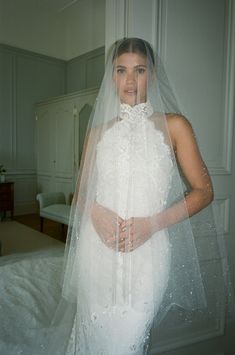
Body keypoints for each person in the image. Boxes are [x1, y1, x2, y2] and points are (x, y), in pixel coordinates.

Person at [46, 38, 233, 355]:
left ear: (153, 75)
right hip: (97, 252)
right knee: (90, 336)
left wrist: (152, 224)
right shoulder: (97, 132)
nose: (130, 80)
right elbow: (80, 195)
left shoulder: (175, 125)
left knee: (126, 343)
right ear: (113, 77)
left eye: (139, 70)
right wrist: (95, 212)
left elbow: (205, 192)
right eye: (121, 70)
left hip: (147, 254)